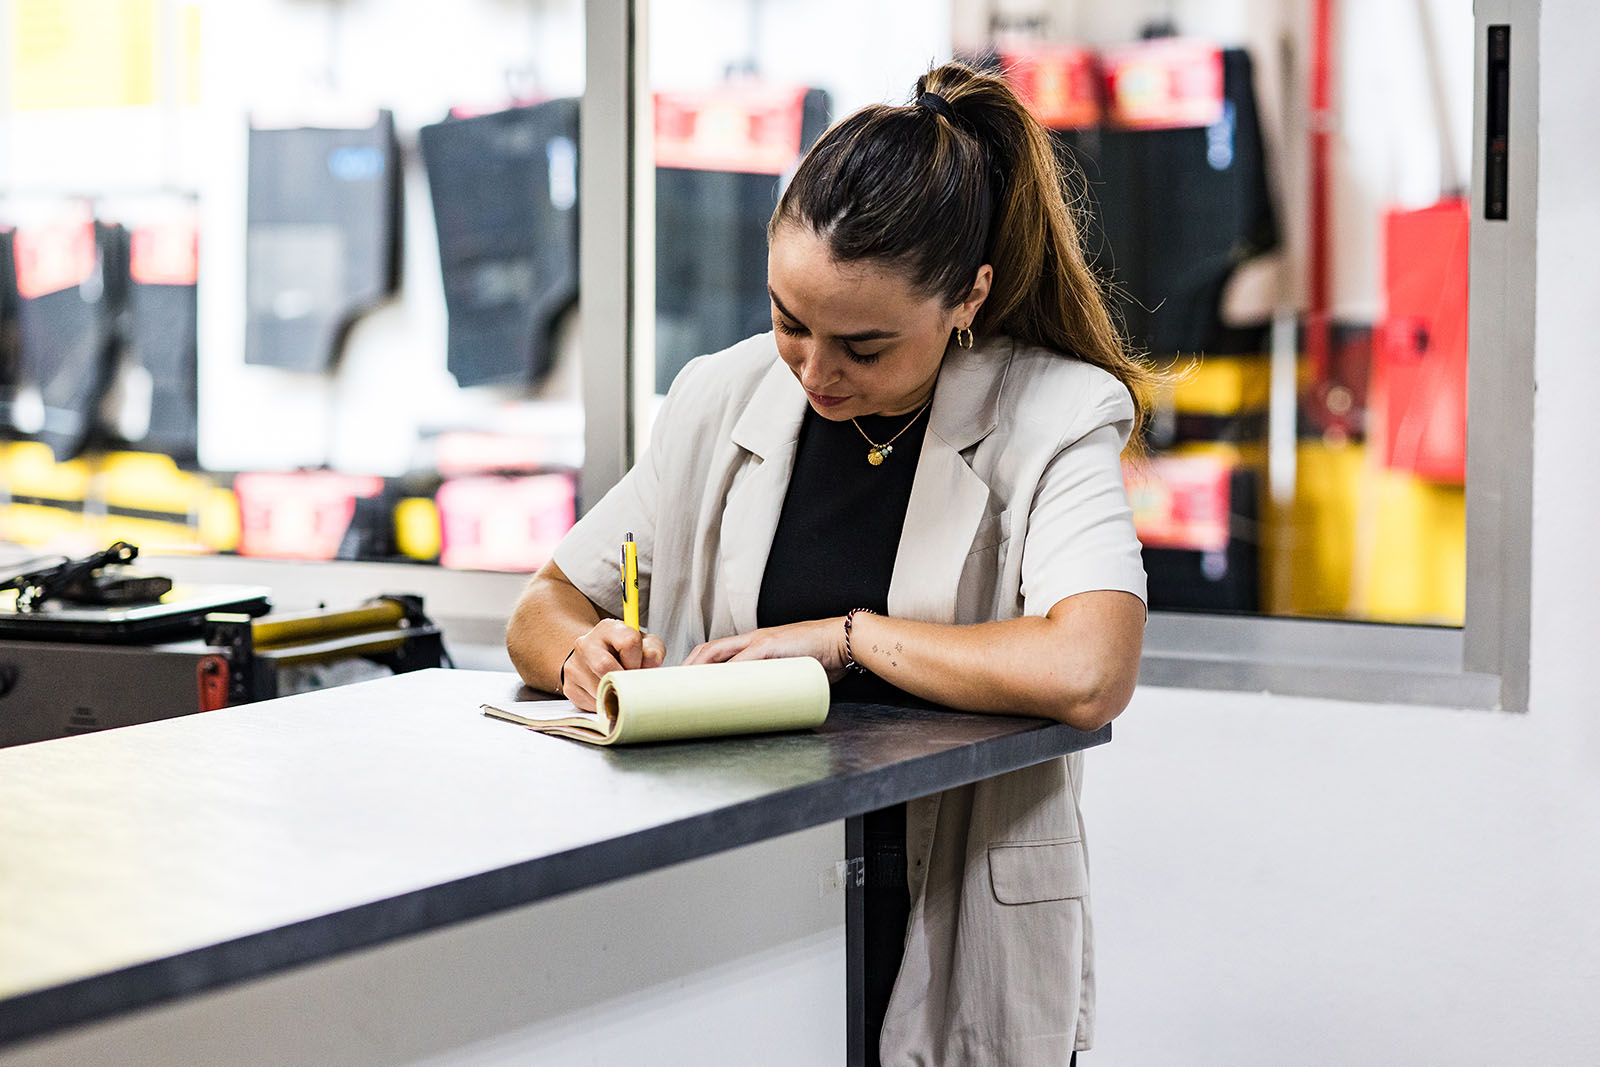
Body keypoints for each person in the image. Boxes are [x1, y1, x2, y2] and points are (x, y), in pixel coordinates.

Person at [507, 60, 1153, 1067]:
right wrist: (584, 654)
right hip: (757, 912)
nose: (814, 372)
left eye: (863, 344)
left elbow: (1087, 668)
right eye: (789, 321)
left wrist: (847, 641)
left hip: (951, 902)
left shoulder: (1054, 415)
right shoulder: (724, 394)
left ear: (968, 299)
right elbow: (543, 601)